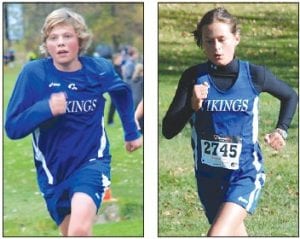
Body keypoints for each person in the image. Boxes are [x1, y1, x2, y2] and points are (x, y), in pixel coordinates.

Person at [5, 8, 142, 236]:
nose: (60, 43)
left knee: (79, 230)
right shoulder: (34, 73)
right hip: (52, 173)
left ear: (80, 40)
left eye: (67, 36)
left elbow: (122, 93)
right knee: (70, 233)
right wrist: (45, 108)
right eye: (53, 38)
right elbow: (13, 128)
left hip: (91, 161)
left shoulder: (99, 70)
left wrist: (131, 132)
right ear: (46, 44)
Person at [162, 7, 297, 236]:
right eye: (209, 41)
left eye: (222, 39)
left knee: (216, 234)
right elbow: (168, 130)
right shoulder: (193, 77)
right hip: (208, 178)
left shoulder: (254, 75)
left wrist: (281, 130)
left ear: (236, 38)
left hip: (244, 173)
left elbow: (290, 96)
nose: (216, 47)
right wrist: (191, 106)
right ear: (201, 43)